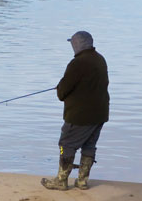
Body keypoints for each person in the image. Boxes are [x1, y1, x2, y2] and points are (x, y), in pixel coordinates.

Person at [41, 31, 110, 190]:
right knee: (89, 146)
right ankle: (82, 181)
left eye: (72, 43)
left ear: (77, 45)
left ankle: (61, 180)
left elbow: (62, 92)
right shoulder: (100, 59)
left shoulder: (77, 63)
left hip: (80, 116)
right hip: (100, 113)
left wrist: (60, 87)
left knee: (66, 144)